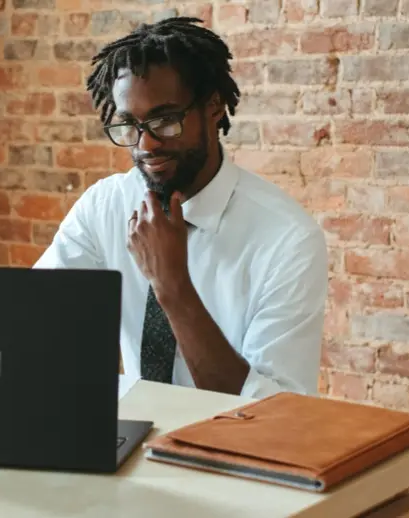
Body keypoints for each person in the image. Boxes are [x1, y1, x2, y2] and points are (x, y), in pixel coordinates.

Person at [34, 16, 328, 399]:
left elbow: (274, 413)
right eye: (130, 125)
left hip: (231, 449)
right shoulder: (105, 207)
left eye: (165, 120)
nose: (147, 144)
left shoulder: (287, 240)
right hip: (130, 439)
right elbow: (35, 318)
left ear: (214, 107)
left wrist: (172, 286)